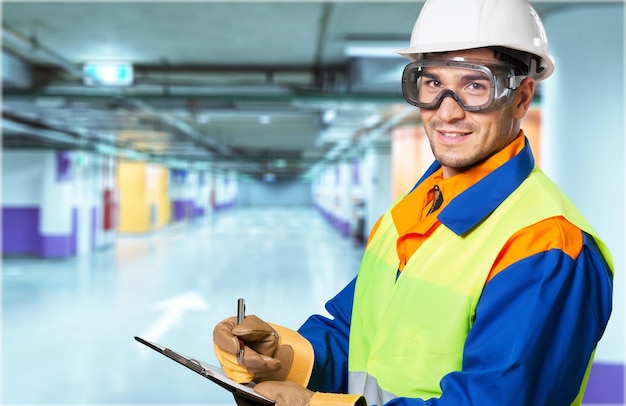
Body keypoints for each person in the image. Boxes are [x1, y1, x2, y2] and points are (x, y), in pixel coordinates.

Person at [213, 0, 614, 404]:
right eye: (433, 83)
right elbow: (358, 335)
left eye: (476, 85)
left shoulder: (545, 244)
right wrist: (279, 357)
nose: (448, 111)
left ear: (522, 97)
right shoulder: (408, 214)